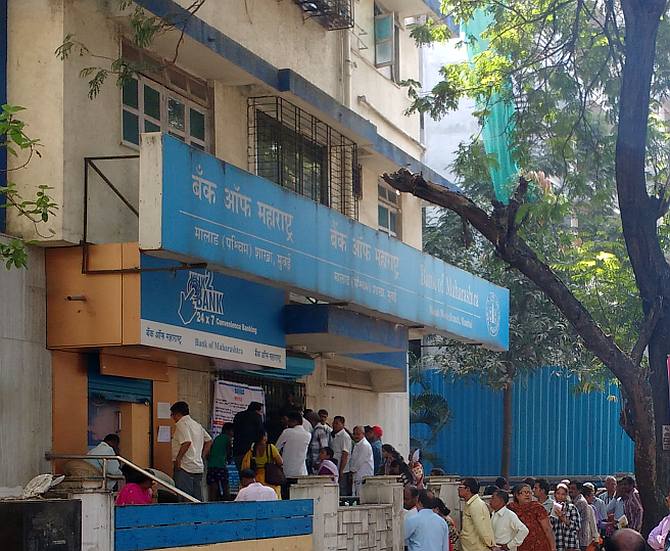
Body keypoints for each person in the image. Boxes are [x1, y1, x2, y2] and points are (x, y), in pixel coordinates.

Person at [170, 401, 212, 501]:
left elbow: (186, 442)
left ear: (177, 413)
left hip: (184, 467)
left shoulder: (181, 424)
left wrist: (178, 459)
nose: (173, 418)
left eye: (172, 415)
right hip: (197, 466)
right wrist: (201, 456)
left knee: (184, 498)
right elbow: (209, 440)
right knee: (196, 498)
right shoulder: (197, 425)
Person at [508, 483, 556, 551]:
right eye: (525, 492)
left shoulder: (537, 507)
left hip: (538, 546)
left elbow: (547, 529)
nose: (528, 495)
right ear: (517, 495)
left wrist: (553, 547)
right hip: (519, 546)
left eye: (530, 493)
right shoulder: (511, 508)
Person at [276, 410, 311, 497]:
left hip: (287, 471)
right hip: (302, 472)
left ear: (294, 421)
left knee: (287, 497)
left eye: (289, 421)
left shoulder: (287, 432)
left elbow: (276, 448)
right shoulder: (308, 435)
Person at [241, 432, 283, 499]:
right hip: (270, 478)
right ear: (263, 437)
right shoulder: (270, 447)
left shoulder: (252, 449)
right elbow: (280, 462)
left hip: (257, 477)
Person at [458, 477, 495, 551]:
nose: (458, 489)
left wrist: (490, 545)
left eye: (460, 487)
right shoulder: (471, 504)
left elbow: (482, 528)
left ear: (468, 489)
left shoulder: (476, 505)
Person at [232, 401, 264, 470]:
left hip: (237, 449)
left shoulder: (238, 415)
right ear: (257, 410)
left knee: (241, 473)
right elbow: (260, 433)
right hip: (250, 451)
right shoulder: (257, 417)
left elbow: (234, 430)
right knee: (249, 474)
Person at [207, 422, 233, 501]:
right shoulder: (227, 438)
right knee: (225, 486)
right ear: (228, 431)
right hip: (221, 466)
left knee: (213, 487)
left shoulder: (217, 438)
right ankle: (227, 505)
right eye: (233, 431)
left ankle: (212, 503)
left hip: (211, 466)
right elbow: (229, 451)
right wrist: (229, 459)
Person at [551, 483, 580, 551]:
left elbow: (577, 527)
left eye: (563, 494)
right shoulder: (551, 508)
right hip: (557, 544)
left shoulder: (571, 508)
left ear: (566, 495)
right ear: (555, 494)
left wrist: (564, 519)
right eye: (558, 493)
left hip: (570, 544)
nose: (560, 496)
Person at [568, 481, 595, 550]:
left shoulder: (580, 502)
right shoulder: (574, 501)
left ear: (579, 490)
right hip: (577, 539)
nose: (570, 490)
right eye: (569, 488)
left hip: (580, 539)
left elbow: (571, 519)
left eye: (573, 488)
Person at [350, 425, 374, 496]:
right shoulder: (357, 445)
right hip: (357, 477)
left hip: (363, 477)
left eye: (358, 434)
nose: (356, 436)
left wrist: (351, 470)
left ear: (363, 434)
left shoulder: (365, 445)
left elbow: (359, 462)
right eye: (354, 434)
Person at [331, 415, 352, 496]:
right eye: (333, 423)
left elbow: (345, 454)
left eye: (337, 423)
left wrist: (341, 470)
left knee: (342, 491)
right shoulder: (335, 435)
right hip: (335, 467)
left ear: (342, 424)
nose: (334, 425)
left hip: (342, 469)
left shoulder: (345, 436)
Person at [306, 410, 331, 474]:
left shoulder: (320, 430)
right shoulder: (315, 429)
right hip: (313, 461)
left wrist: (320, 462)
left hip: (317, 462)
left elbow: (324, 448)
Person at [580, 484, 601, 548]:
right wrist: (596, 539)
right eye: (592, 495)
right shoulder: (589, 508)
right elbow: (593, 525)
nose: (593, 497)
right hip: (586, 540)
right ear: (587, 496)